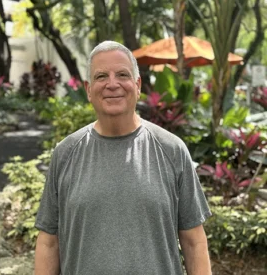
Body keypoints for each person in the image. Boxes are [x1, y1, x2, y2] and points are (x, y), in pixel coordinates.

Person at [34, 41, 212, 275]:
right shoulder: (66, 153)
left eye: (122, 74)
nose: (112, 84)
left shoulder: (172, 150)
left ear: (137, 85)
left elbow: (193, 241)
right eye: (101, 76)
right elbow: (49, 241)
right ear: (88, 89)